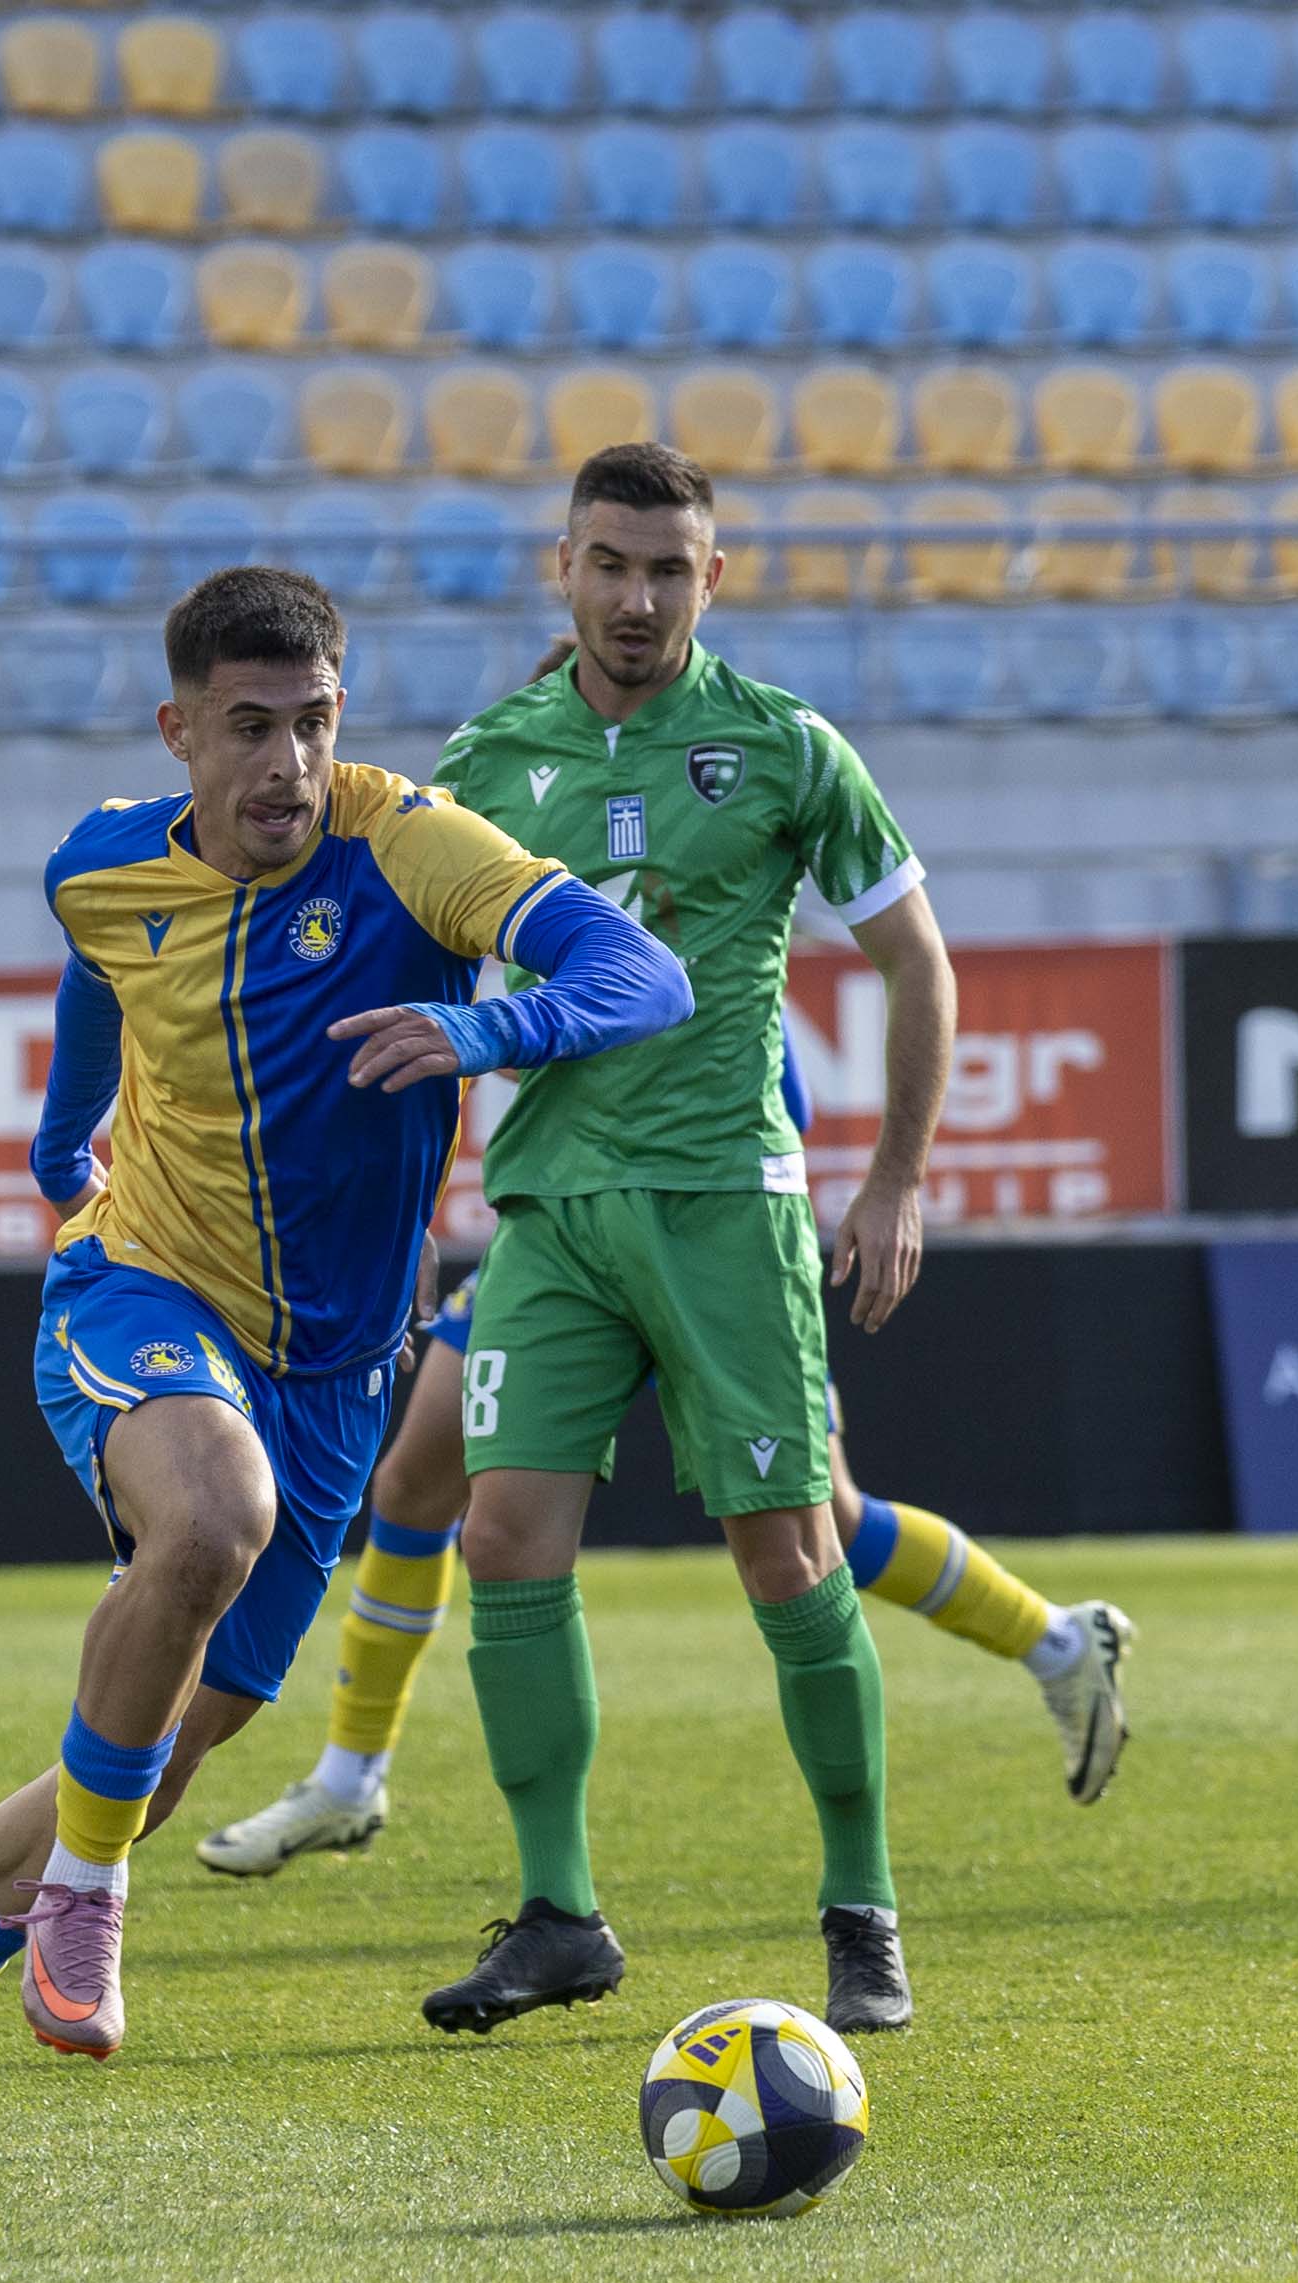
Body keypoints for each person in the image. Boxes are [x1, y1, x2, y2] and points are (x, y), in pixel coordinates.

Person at [0, 567, 692, 2174]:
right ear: (180, 731)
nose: (288, 764)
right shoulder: (102, 861)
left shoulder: (410, 845)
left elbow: (644, 977)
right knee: (210, 1521)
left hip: (336, 1371)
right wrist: (65, 1140)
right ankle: (90, 1892)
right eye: (252, 728)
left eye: (315, 722)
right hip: (142, 1285)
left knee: (145, 1757)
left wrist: (483, 1032)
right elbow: (102, 967)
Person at [401, 443, 1020, 2043]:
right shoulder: (486, 758)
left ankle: (863, 1908)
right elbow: (426, 999)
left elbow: (917, 960)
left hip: (724, 1205)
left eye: (669, 569)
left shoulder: (788, 748)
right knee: (502, 1541)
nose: (637, 597)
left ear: (714, 579)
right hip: (548, 1209)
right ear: (563, 568)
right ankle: (559, 1915)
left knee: (788, 1554)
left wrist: (896, 1179)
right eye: (610, 564)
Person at [195, 1011, 1132, 1880]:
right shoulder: (552, 929)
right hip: (561, 1230)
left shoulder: (706, 954)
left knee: (826, 1528)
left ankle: (1055, 1640)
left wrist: (558, 1048)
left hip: (705, 1233)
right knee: (412, 1486)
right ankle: (351, 1777)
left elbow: (768, 1095)